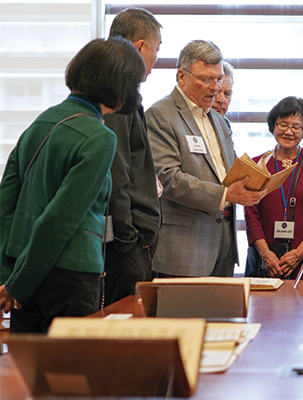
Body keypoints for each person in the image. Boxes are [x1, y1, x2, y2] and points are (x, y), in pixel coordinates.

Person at [0, 37, 146, 332]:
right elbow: (59, 220)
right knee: (71, 374)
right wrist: (18, 285)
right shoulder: (100, 137)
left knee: (23, 372)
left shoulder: (40, 123)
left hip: (22, 271)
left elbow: (5, 208)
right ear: (121, 86)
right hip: (71, 277)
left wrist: (9, 281)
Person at [146, 40, 266, 278]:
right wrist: (225, 195)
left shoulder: (219, 120)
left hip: (225, 242)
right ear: (182, 76)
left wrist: (257, 183)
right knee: (182, 316)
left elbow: (230, 172)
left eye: (219, 79)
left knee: (221, 315)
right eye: (206, 79)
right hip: (184, 248)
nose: (214, 88)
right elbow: (168, 178)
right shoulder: (160, 115)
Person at [103, 7, 163, 306]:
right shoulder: (115, 96)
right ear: (140, 47)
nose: (154, 62)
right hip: (125, 247)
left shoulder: (125, 93)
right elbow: (117, 172)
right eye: (156, 50)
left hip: (132, 241)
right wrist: (130, 241)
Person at [244, 97, 303, 279]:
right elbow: (251, 215)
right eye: (283, 124)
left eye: (296, 126)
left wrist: (299, 253)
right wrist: (266, 255)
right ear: (273, 125)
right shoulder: (256, 164)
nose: (288, 131)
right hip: (268, 261)